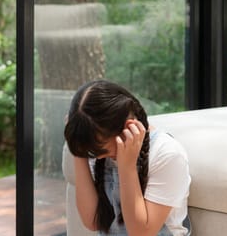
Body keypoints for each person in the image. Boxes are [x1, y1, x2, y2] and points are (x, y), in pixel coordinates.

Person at [64, 79, 191, 236]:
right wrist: (79, 150)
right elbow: (92, 221)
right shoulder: (95, 146)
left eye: (102, 151)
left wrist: (127, 166)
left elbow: (141, 233)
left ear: (128, 127)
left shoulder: (166, 153)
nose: (98, 156)